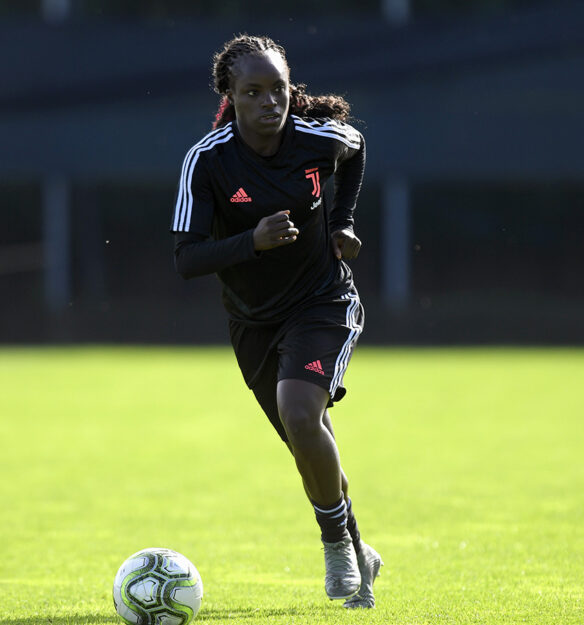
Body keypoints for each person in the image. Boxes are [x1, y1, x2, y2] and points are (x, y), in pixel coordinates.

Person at [170, 34, 382, 608]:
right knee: (306, 439)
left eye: (279, 89)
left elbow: (356, 148)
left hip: (321, 301)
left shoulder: (315, 139)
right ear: (231, 96)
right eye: (253, 91)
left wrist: (342, 220)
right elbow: (186, 258)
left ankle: (336, 547)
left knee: (299, 410)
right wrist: (251, 242)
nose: (270, 102)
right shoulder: (208, 161)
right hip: (252, 322)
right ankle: (361, 551)